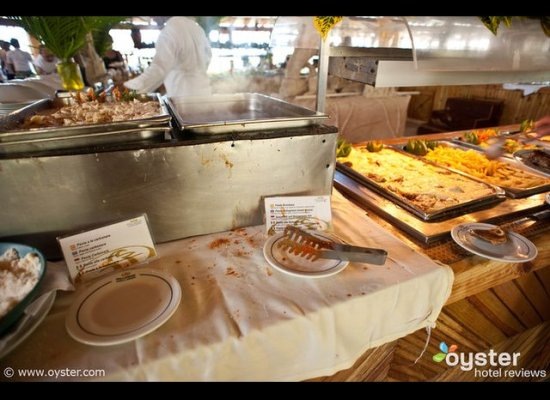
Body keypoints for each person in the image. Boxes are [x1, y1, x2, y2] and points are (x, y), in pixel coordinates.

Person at [124, 17, 212, 97]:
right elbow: (208, 57)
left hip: (182, 96)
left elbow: (159, 69)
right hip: (204, 93)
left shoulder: (170, 31)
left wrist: (129, 87)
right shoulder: (197, 29)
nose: (153, 18)